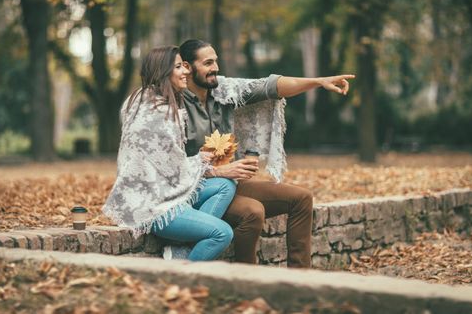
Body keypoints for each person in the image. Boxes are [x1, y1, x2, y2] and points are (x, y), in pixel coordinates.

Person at [179, 39, 355, 268]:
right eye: (208, 63)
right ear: (187, 66)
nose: (216, 67)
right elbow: (168, 164)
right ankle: (247, 279)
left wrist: (318, 82)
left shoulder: (224, 89)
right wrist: (219, 170)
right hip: (193, 191)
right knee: (253, 211)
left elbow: (271, 86)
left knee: (301, 198)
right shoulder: (173, 104)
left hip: (229, 183)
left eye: (216, 61)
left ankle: (299, 279)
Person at [102, 45, 237, 261]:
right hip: (155, 206)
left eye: (184, 65)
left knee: (225, 185)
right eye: (178, 67)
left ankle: (180, 248)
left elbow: (166, 161)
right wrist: (202, 161)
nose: (186, 71)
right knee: (222, 233)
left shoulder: (142, 100)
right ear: (163, 72)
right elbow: (173, 169)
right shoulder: (158, 113)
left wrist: (199, 161)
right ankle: (183, 276)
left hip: (163, 191)